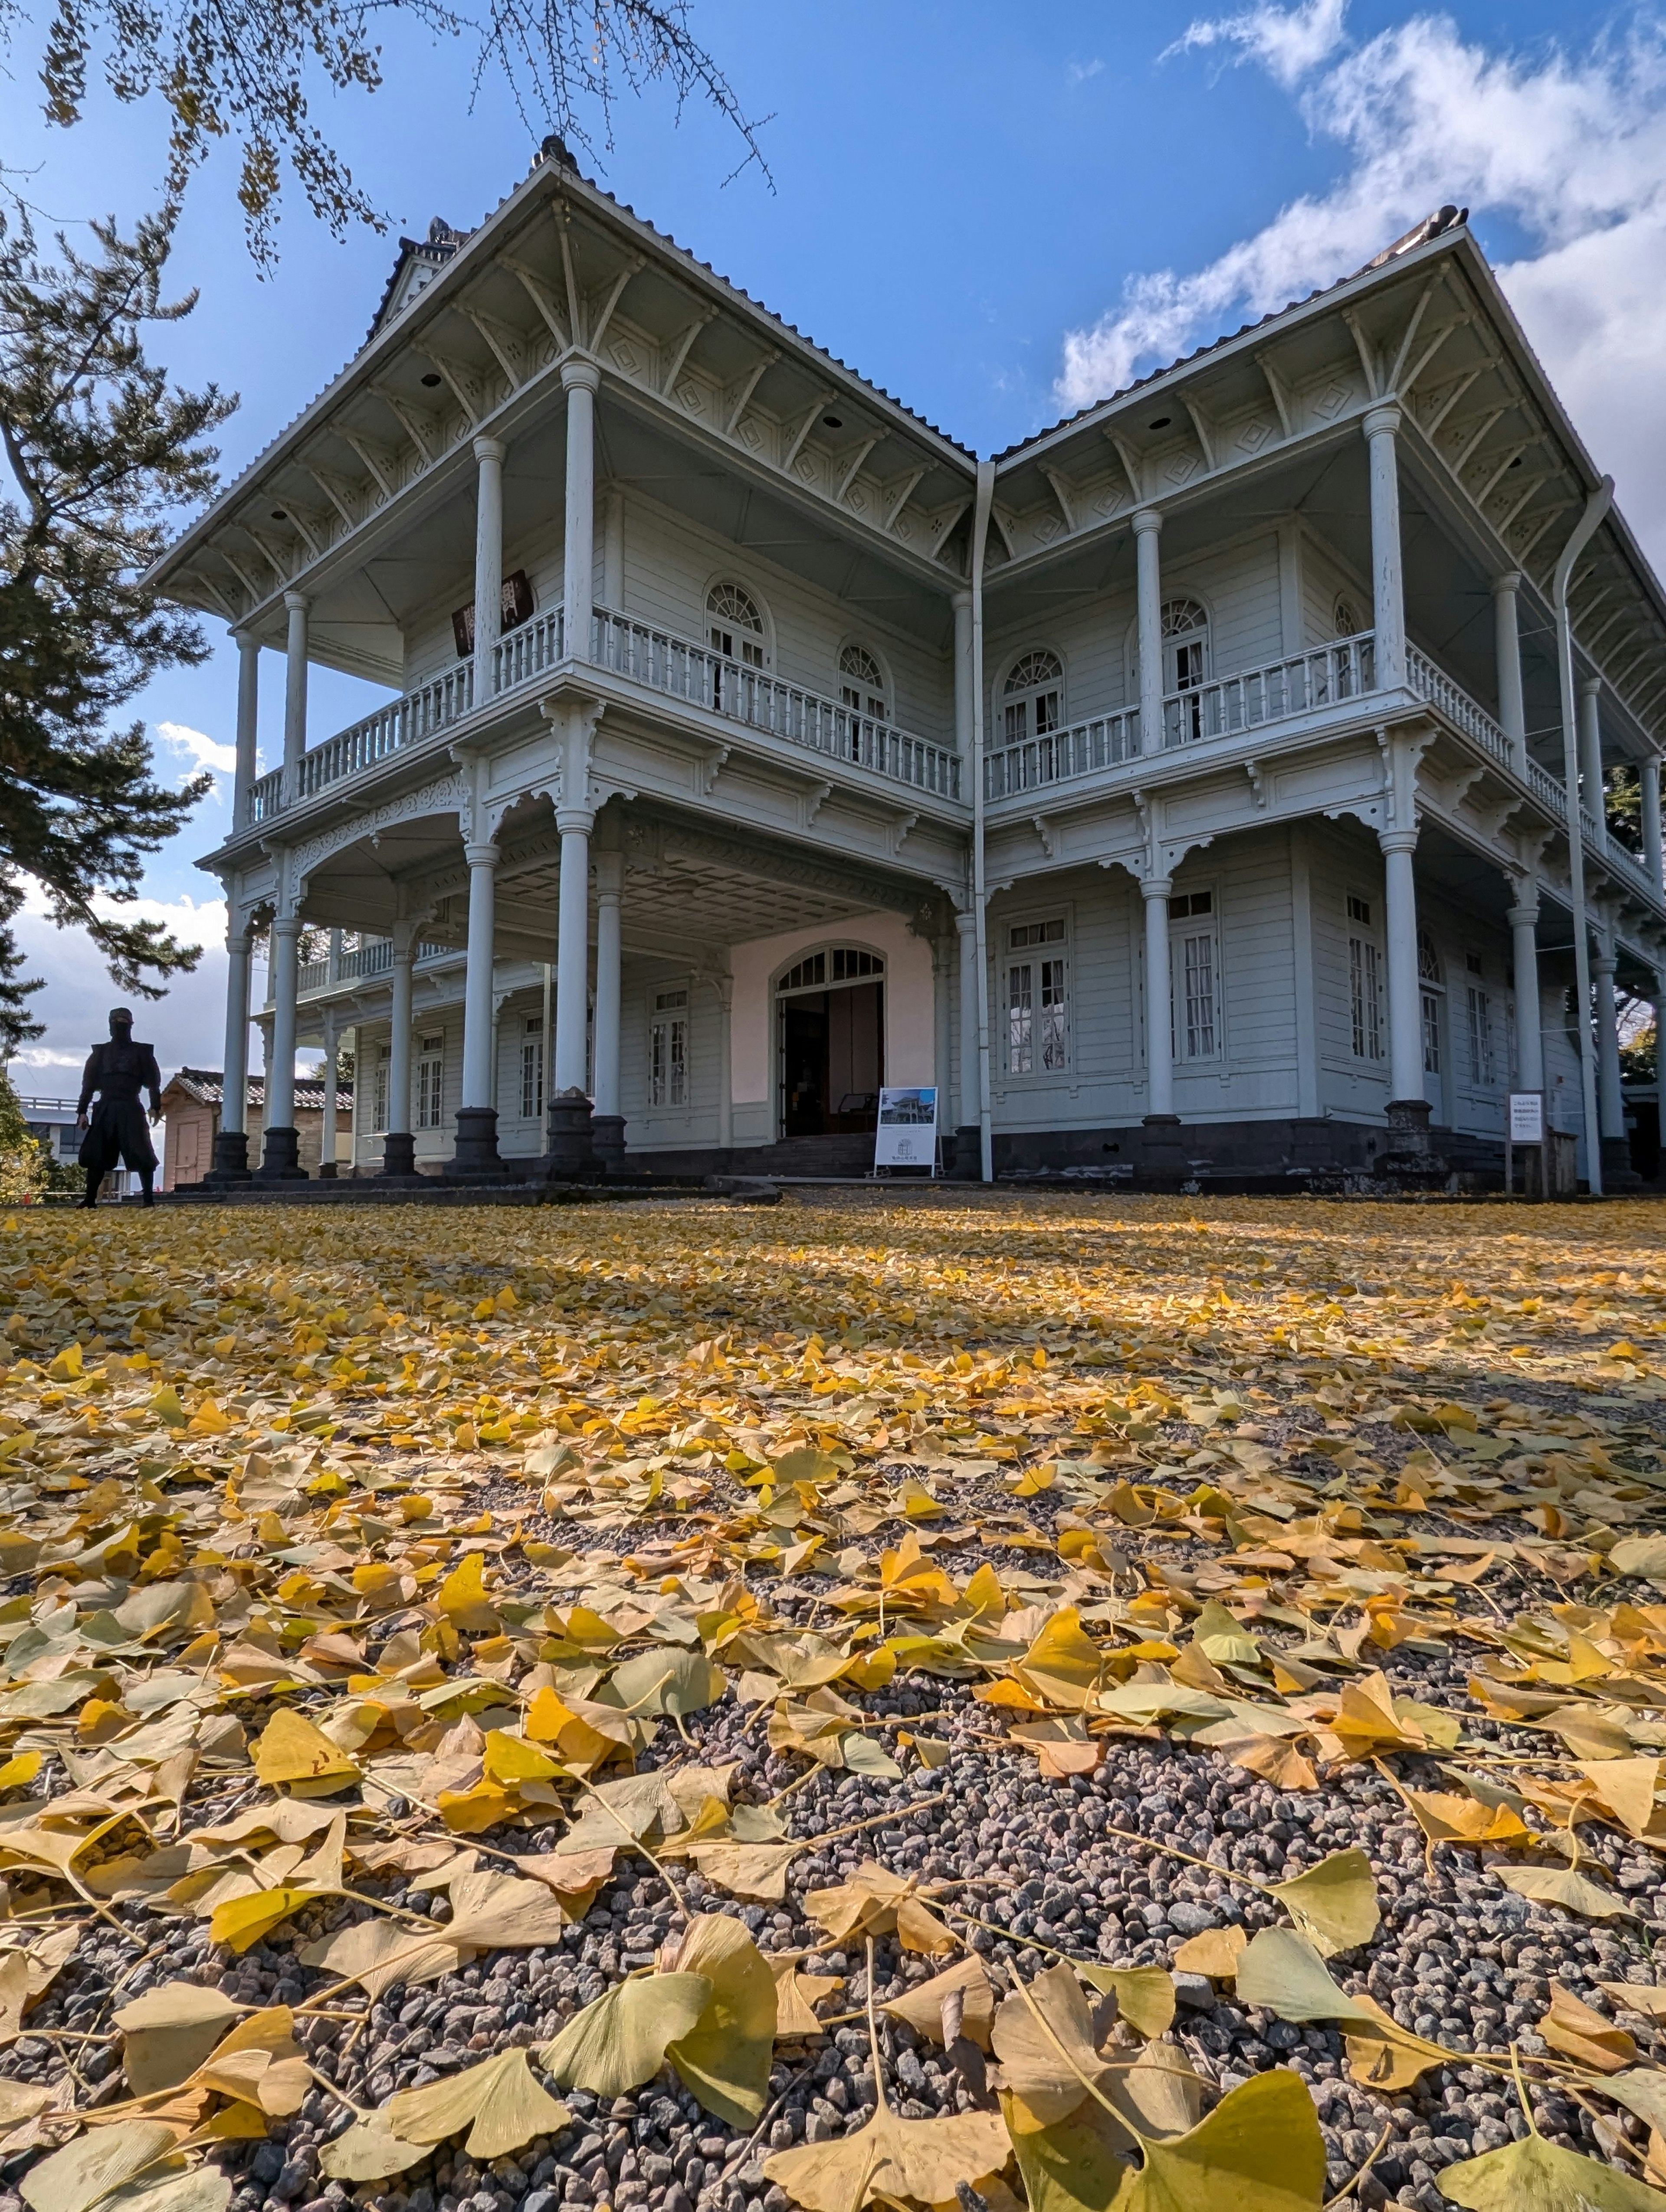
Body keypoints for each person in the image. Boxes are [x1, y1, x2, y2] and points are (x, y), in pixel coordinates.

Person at [76, 1009, 163, 1208]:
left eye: (123, 1021)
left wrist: (155, 1107)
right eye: (116, 1021)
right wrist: (82, 1112)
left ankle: (148, 1199)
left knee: (142, 1152)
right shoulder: (100, 1053)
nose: (119, 1025)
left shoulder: (142, 1053)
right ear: (110, 1025)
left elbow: (153, 1084)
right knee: (96, 1154)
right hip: (105, 1108)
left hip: (131, 1107)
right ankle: (90, 1199)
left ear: (131, 1025)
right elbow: (88, 1086)